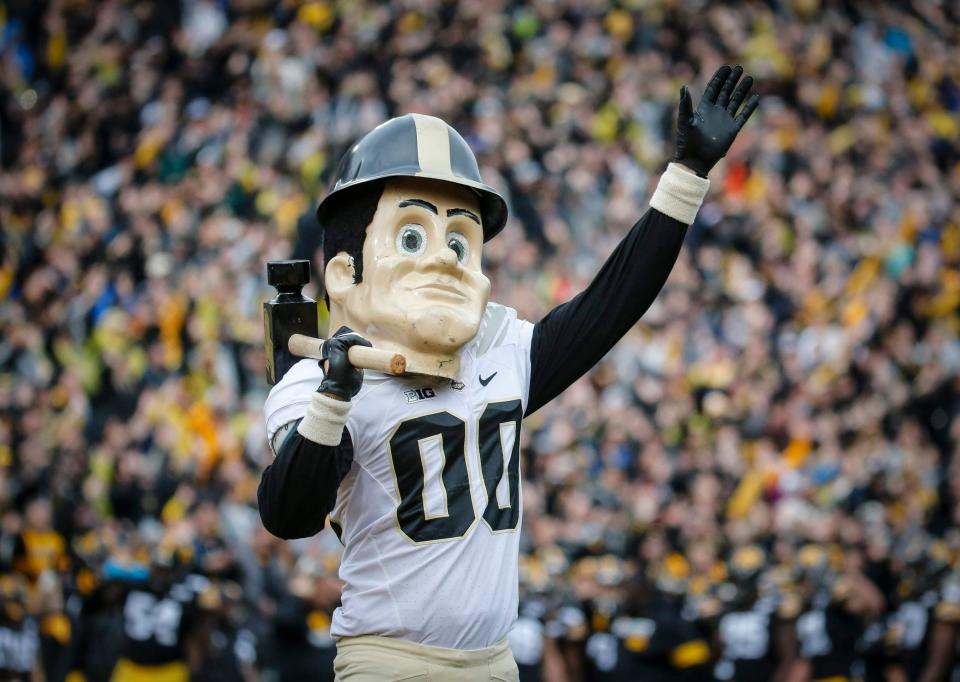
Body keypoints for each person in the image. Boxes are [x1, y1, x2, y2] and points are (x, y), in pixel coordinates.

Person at [258, 64, 759, 681]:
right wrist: (334, 399)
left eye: (460, 240)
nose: (443, 256)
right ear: (344, 273)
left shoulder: (499, 349)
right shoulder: (319, 380)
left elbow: (611, 304)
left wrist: (684, 179)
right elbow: (289, 515)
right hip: (390, 662)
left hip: (496, 661)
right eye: (413, 237)